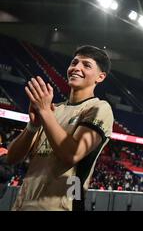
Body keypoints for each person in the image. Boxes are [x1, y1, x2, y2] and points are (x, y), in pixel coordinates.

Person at [6, 45, 114, 211]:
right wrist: (33, 126)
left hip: (63, 206)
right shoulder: (53, 110)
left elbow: (72, 154)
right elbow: (11, 158)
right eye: (74, 62)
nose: (76, 68)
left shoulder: (99, 108)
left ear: (100, 77)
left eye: (86, 65)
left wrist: (44, 112)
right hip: (22, 205)